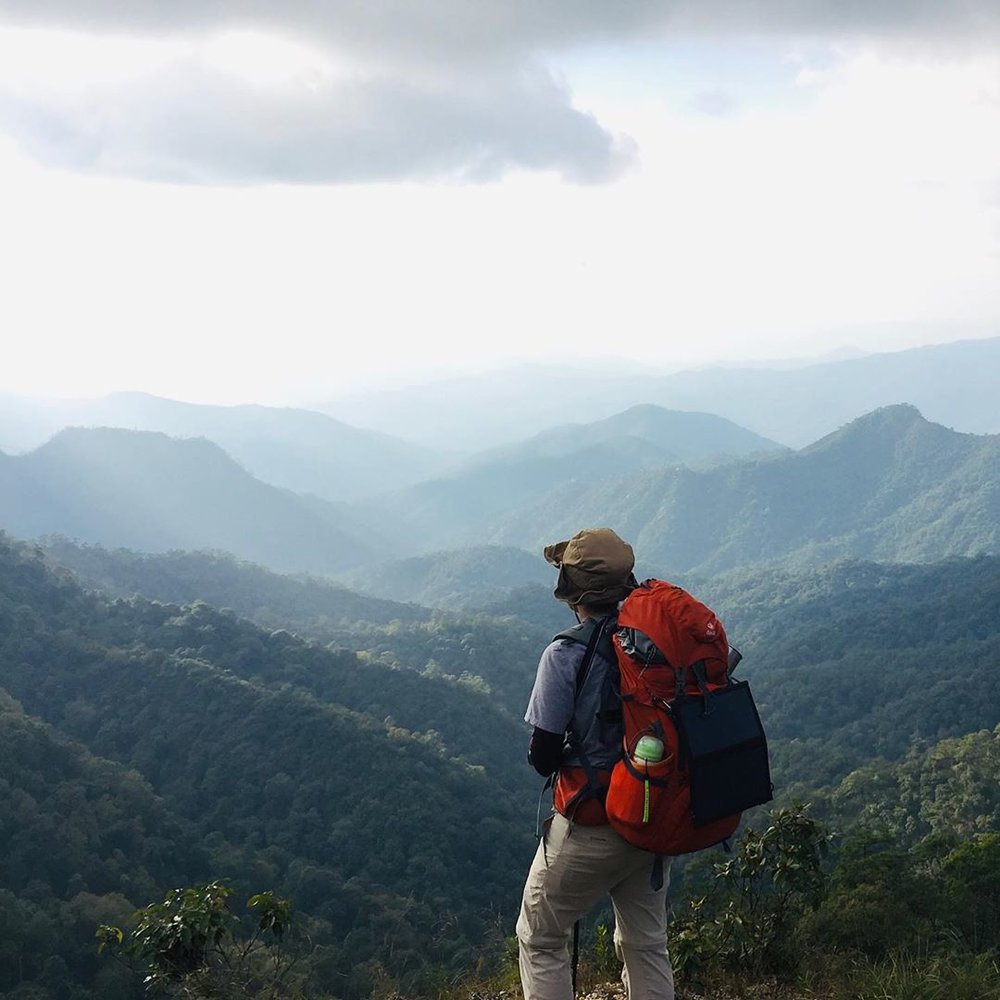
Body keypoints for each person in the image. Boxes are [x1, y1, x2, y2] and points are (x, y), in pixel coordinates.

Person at [516, 527, 675, 1000]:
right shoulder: (657, 642)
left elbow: (543, 757)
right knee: (646, 943)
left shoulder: (565, 654)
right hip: (654, 811)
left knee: (541, 937)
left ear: (571, 591)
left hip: (594, 820)